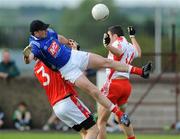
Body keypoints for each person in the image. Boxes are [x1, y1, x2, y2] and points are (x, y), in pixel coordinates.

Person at [23, 20, 152, 127]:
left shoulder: (47, 33)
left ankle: (141, 71)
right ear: (36, 33)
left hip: (74, 55)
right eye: (43, 30)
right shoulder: (34, 45)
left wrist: (68, 42)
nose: (46, 31)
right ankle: (120, 115)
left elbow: (58, 37)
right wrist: (27, 56)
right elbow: (29, 58)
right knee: (93, 90)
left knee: (105, 61)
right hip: (67, 70)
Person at [34, 60, 98, 139]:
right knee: (93, 130)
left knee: (84, 132)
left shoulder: (36, 68)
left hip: (56, 107)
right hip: (67, 100)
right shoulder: (50, 59)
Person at [97, 25, 141, 139]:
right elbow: (138, 53)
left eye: (109, 35)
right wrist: (132, 37)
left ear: (115, 35)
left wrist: (108, 46)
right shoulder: (129, 45)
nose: (108, 38)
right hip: (126, 85)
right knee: (121, 117)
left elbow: (119, 53)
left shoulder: (117, 43)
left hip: (114, 84)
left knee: (101, 121)